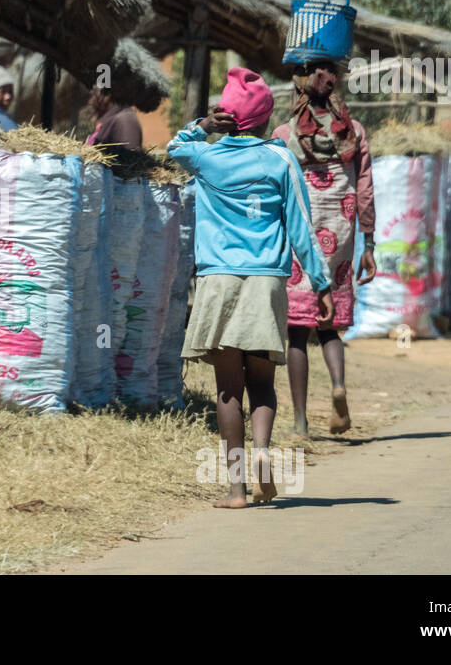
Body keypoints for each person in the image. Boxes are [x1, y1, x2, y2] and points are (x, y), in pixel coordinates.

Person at [168, 67, 333, 508]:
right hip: (266, 282)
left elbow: (173, 148)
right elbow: (301, 224)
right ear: (264, 119)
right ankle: (263, 449)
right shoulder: (281, 159)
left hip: (217, 280)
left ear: (227, 117)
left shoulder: (207, 157)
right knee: (261, 382)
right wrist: (322, 283)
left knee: (227, 389)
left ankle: (237, 489)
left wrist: (201, 126)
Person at [271, 60, 376, 437]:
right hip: (342, 234)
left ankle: (300, 423)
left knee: (297, 330)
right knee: (329, 326)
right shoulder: (354, 132)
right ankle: (338, 385)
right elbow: (364, 190)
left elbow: (274, 191)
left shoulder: (285, 134)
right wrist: (369, 242)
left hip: (301, 238)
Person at [85, 85, 143, 150]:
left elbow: (131, 155)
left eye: (94, 94)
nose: (90, 101)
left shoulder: (124, 120)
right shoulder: (107, 119)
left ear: (107, 95)